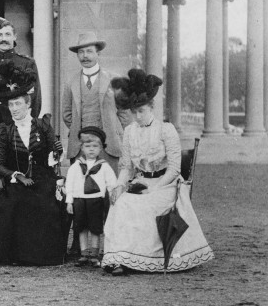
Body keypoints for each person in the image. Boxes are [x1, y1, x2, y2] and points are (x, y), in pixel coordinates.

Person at [102, 69, 214, 275]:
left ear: (152, 107)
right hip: (141, 181)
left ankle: (149, 259)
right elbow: (127, 166)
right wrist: (119, 185)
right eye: (134, 112)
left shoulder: (166, 130)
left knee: (147, 203)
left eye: (141, 111)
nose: (137, 116)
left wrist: (156, 188)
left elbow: (174, 169)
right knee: (121, 202)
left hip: (166, 183)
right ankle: (120, 258)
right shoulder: (129, 132)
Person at [0, 63, 67, 266]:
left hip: (43, 176)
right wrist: (17, 176)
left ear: (28, 105)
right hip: (18, 177)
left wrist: (56, 152)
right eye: (11, 105)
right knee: (8, 204)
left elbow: (54, 156)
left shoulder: (43, 125)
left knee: (43, 205)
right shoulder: (6, 130)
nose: (14, 109)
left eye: (18, 105)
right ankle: (11, 254)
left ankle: (39, 255)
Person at [0, 17, 41, 202]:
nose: (3, 38)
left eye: (7, 34)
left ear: (15, 37)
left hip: (16, 125)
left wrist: (27, 124)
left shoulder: (26, 63)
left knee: (17, 168)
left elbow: (35, 100)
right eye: (0, 35)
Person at [62, 31, 128, 172]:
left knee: (110, 189)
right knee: (81, 188)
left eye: (90, 51)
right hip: (81, 147)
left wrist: (115, 133)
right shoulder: (71, 82)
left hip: (108, 146)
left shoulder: (113, 80)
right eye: (81, 52)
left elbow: (124, 114)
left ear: (98, 54)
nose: (85, 56)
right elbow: (67, 115)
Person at [65, 127, 117, 268]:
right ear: (81, 148)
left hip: (96, 200)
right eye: (87, 146)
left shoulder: (104, 166)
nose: (91, 149)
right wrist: (69, 201)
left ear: (101, 149)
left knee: (95, 227)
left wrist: (113, 195)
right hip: (79, 200)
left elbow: (112, 183)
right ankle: (83, 254)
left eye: (95, 146)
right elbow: (69, 184)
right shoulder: (76, 166)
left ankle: (94, 255)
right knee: (81, 227)